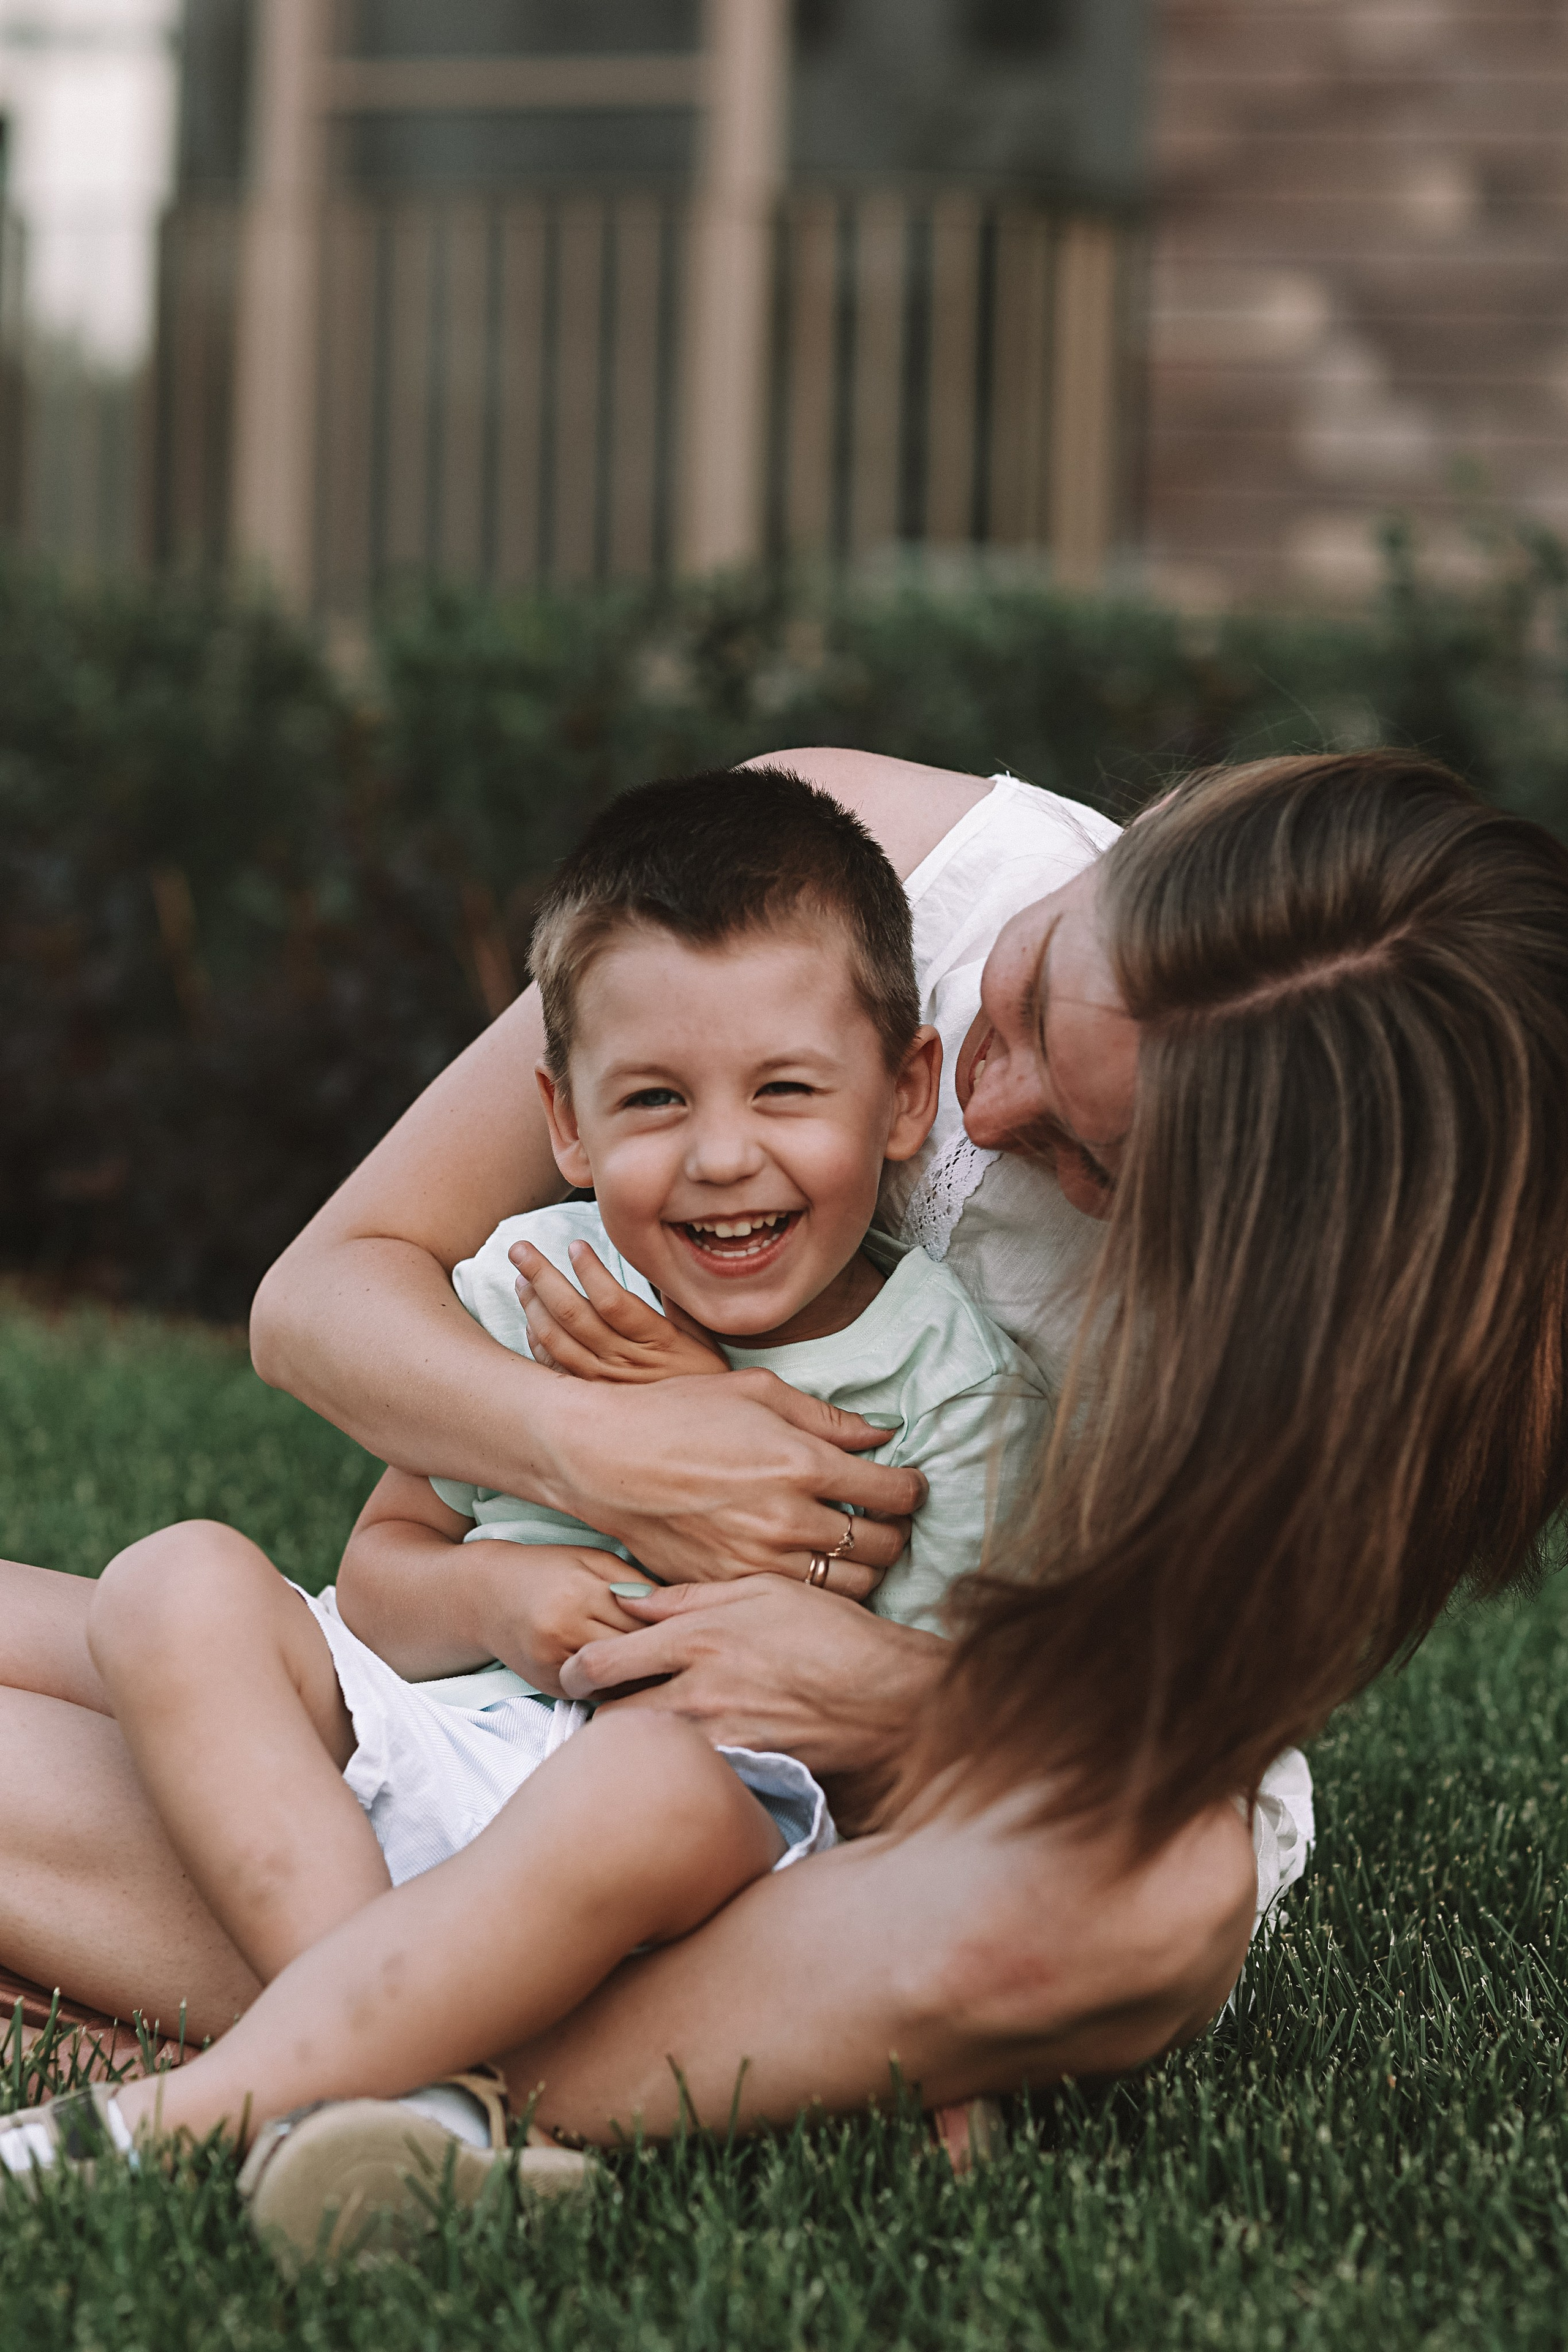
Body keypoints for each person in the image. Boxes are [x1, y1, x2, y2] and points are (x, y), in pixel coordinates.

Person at [0, 748, 1561, 2231]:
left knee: (1153, 1893)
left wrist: (880, 1692)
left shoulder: (1299, 1371)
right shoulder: (836, 858)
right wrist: (619, 1449)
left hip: (860, 1813)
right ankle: (391, 2073)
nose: (987, 1113)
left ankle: (261, 2077)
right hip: (494, 1699)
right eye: (1015, 994)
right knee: (172, 1610)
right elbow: (324, 1299)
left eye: (1092, 1157)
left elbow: (1108, 1772)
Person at [75, 772, 1051, 2013]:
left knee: (640, 1784)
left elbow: (907, 1747)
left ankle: (354, 2048)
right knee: (169, 1582)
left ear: (905, 1095)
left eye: (785, 1090)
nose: (718, 1155)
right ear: (567, 1124)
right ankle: (377, 2048)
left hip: (693, 1841)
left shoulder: (946, 1383)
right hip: (440, 1751)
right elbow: (381, 1576)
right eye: (652, 1098)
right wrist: (494, 1596)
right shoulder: (548, 1284)